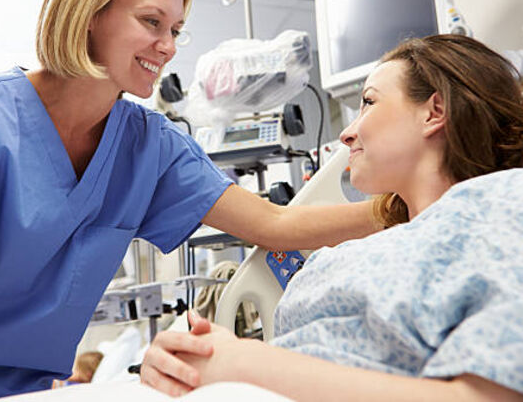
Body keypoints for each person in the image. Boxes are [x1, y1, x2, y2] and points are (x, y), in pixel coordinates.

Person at [0, 0, 381, 401]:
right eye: (151, 22)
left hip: (29, 389)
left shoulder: (150, 146)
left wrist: (406, 207)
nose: (169, 46)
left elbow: (274, 223)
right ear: (90, 12)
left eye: (174, 31)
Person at [140, 34, 523, 401]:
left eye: (369, 103)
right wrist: (183, 362)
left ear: (434, 112)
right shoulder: (350, 255)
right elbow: (275, 227)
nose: (347, 134)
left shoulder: (503, 203)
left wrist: (242, 362)